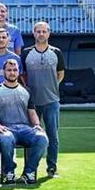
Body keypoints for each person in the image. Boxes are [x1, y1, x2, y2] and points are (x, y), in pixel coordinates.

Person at [0, 59, 48, 185]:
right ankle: (9, 172)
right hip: (6, 128)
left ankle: (29, 172)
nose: (12, 73)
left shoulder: (26, 90)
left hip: (25, 129)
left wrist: (37, 125)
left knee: (42, 139)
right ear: (3, 72)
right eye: (9, 70)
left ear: (18, 72)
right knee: (6, 139)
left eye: (15, 70)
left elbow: (32, 112)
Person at [20, 21, 65, 178]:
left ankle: (52, 167)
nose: (41, 34)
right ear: (34, 33)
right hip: (32, 104)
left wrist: (52, 87)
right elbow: (22, 74)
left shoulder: (56, 52)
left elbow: (60, 73)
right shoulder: (26, 53)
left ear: (48, 33)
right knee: (31, 137)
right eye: (38, 31)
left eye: (44, 31)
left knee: (53, 136)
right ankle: (30, 169)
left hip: (52, 101)